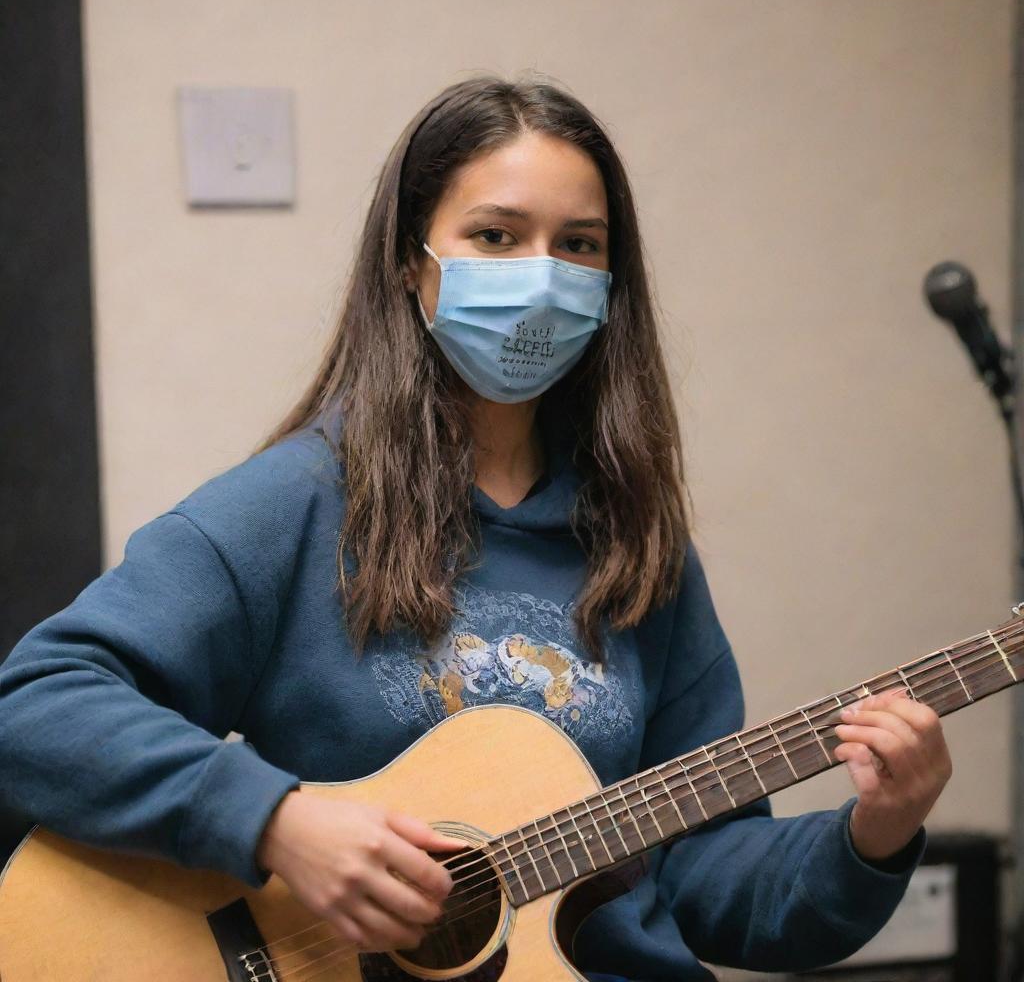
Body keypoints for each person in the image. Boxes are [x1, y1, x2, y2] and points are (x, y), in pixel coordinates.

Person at [0, 74, 951, 981]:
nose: (542, 276)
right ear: (413, 264)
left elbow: (702, 880)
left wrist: (874, 834)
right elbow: (36, 705)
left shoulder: (634, 541)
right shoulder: (286, 507)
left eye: (578, 245)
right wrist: (276, 820)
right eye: (497, 236)